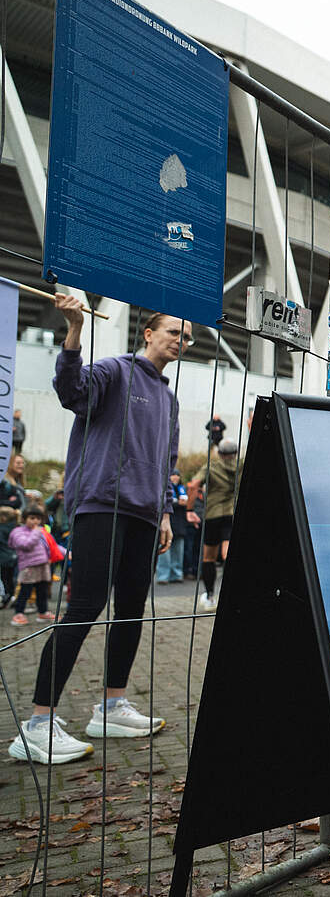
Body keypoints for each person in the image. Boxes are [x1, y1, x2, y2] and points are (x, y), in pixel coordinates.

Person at [9, 296, 182, 765]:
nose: (181, 341)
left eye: (187, 337)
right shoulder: (114, 370)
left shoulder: (170, 398)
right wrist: (73, 331)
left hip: (146, 516)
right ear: (149, 333)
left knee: (131, 611)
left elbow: (167, 461)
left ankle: (111, 708)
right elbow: (71, 391)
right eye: (173, 332)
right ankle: (37, 726)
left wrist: (166, 513)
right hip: (101, 505)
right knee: (85, 608)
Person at [187, 439, 241, 611]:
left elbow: (193, 485)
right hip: (232, 513)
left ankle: (210, 597)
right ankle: (234, 596)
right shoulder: (241, 466)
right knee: (227, 552)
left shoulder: (211, 467)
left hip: (213, 514)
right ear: (235, 453)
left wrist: (189, 509)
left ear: (219, 453)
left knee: (209, 557)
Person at [9, 507, 52, 625]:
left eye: (38, 518)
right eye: (32, 518)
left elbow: (50, 545)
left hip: (42, 566)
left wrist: (66, 553)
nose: (35, 521)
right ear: (24, 519)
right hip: (28, 567)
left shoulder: (41, 531)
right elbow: (25, 544)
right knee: (25, 591)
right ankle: (18, 614)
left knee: (42, 591)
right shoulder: (18, 532)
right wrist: (36, 532)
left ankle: (43, 612)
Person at [158, 474, 189, 584]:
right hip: (165, 524)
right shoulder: (164, 488)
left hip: (179, 526)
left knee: (178, 553)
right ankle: (163, 576)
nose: (175, 477)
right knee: (164, 553)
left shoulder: (183, 490)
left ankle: (176, 574)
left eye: (177, 475)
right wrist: (177, 503)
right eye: (173, 475)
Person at [0, 507, 19, 608]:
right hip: (16, 556)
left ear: (3, 517)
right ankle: (13, 596)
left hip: (4, 557)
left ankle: (8, 596)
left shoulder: (1, 528)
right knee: (13, 578)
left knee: (6, 579)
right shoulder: (16, 527)